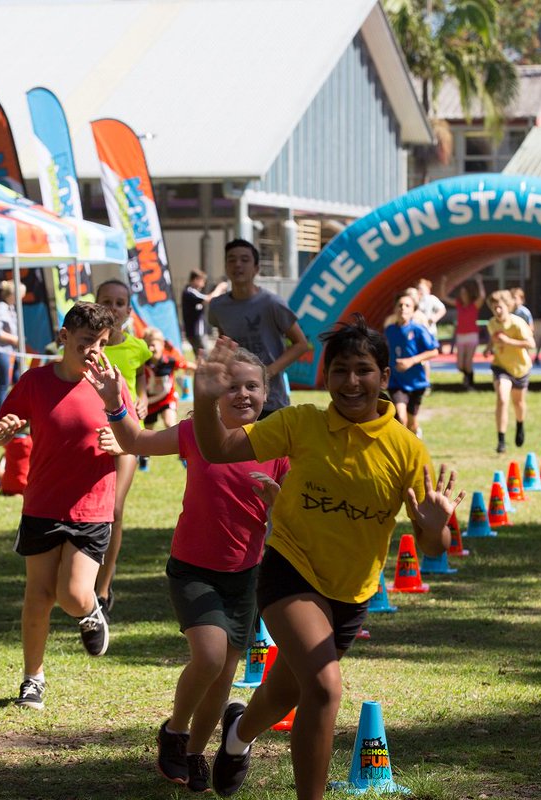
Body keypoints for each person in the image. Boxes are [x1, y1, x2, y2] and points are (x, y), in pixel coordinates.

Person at [191, 325, 462, 800]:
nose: (352, 382)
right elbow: (218, 449)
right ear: (325, 375)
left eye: (363, 371)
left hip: (351, 593)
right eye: (341, 370)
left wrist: (436, 524)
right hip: (289, 569)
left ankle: (237, 734)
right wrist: (206, 397)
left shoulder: (407, 449)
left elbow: (433, 548)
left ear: (383, 375)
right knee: (325, 689)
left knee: (288, 691)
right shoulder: (300, 423)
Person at [85, 345, 288, 794]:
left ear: (266, 392)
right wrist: (113, 401)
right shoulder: (198, 431)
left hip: (247, 575)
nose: (242, 394)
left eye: (251, 386)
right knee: (210, 656)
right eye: (230, 386)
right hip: (193, 568)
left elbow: (295, 512)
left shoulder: (277, 442)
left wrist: (281, 505)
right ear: (212, 392)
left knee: (224, 673)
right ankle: (175, 732)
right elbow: (135, 441)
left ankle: (195, 752)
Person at [0, 302, 129, 711]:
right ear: (64, 337)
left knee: (71, 594)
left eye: (101, 343)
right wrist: (1, 432)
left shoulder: (110, 383)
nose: (94, 351)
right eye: (86, 341)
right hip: (43, 503)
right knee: (38, 595)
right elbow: (2, 430)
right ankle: (32, 679)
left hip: (92, 506)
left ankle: (89, 612)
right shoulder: (34, 382)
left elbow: (135, 439)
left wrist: (119, 443)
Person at [93, 280, 150, 612]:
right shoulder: (88, 347)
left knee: (114, 510)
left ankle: (103, 587)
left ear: (129, 311)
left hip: (127, 434)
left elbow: (142, 377)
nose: (113, 308)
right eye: (106, 302)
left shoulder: (137, 347)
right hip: (92, 434)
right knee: (90, 513)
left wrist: (142, 398)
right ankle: (84, 576)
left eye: (119, 303)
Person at [207, 239, 311, 417]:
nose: (237, 264)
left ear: (256, 268)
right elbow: (225, 343)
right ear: (226, 267)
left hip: (271, 399)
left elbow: (301, 344)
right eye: (231, 259)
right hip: (235, 398)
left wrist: (268, 372)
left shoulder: (272, 303)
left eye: (245, 260)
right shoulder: (217, 307)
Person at [384, 291, 439, 437]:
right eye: (400, 305)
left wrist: (411, 361)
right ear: (395, 309)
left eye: (407, 305)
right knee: (400, 417)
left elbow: (434, 351)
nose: (403, 308)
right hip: (396, 382)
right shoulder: (389, 330)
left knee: (411, 422)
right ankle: (401, 451)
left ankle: (415, 436)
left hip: (416, 383)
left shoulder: (418, 330)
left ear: (413, 310)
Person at [486, 290, 535, 454]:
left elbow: (531, 344)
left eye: (499, 307)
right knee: (502, 398)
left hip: (520, 368)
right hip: (501, 366)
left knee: (518, 403)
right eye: (494, 309)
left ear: (508, 306)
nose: (497, 311)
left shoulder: (518, 323)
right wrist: (488, 348)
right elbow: (493, 339)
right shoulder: (492, 323)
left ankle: (520, 425)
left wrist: (509, 341)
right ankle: (501, 441)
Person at [439, 274, 485, 390]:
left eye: (465, 293)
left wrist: (479, 283)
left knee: (468, 363)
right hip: (461, 336)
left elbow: (482, 296)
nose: (463, 295)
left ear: (469, 294)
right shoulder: (459, 304)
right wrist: (443, 283)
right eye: (461, 293)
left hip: (472, 336)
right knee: (460, 365)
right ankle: (466, 378)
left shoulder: (474, 305)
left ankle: (470, 384)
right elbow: (444, 297)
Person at [0, 280, 25, 411]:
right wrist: (14, 339)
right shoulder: (0, 308)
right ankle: (0, 415)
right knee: (3, 385)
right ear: (12, 295)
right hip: (0, 351)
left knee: (18, 381)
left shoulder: (11, 308)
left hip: (11, 351)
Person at [181, 269, 228, 356]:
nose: (203, 284)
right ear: (196, 279)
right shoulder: (190, 291)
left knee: (201, 357)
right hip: (196, 331)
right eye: (202, 281)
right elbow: (208, 299)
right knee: (205, 357)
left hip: (195, 332)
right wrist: (220, 288)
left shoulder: (192, 292)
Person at [414, 278, 446, 386]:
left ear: (428, 290)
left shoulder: (431, 299)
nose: (420, 291)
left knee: (425, 358)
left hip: (428, 332)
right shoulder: (415, 300)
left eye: (422, 288)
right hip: (417, 333)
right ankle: (419, 379)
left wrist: (434, 318)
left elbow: (442, 309)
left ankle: (426, 381)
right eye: (418, 288)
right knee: (418, 357)